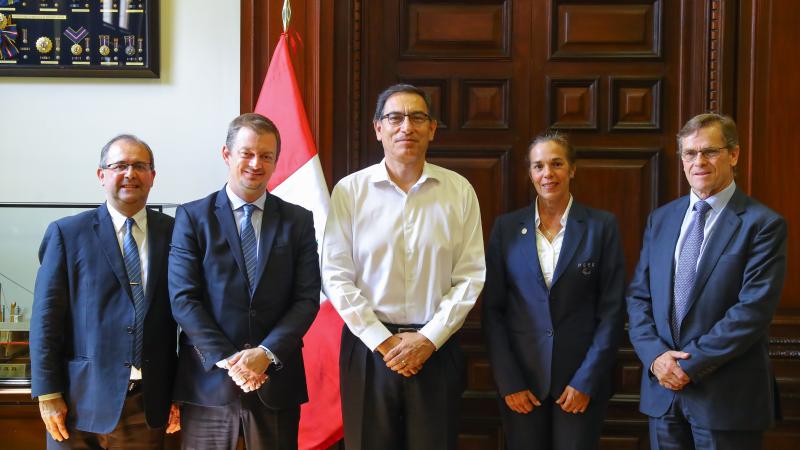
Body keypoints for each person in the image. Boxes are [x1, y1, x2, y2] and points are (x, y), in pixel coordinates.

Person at [320, 83, 486, 450]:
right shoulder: (350, 191)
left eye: (417, 117)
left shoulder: (459, 191)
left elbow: (470, 276)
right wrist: (382, 341)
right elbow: (335, 275)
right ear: (378, 128)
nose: (406, 127)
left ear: (432, 129)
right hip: (368, 350)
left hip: (436, 350)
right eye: (395, 117)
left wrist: (428, 338)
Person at [627, 113, 787, 449]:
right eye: (690, 153)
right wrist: (657, 358)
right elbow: (639, 298)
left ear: (734, 155)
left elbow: (753, 311)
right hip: (664, 395)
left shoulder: (762, 224)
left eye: (710, 151)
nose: (698, 161)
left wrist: (690, 365)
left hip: (726, 400)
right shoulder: (662, 219)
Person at [168, 113, 320, 450]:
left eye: (266, 156)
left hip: (276, 380)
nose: (256, 163)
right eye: (247, 153)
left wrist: (264, 353)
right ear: (227, 154)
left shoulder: (298, 220)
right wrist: (231, 361)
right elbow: (183, 299)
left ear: (276, 161)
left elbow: (306, 299)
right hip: (208, 384)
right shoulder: (192, 217)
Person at [30, 134, 180, 449]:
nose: (130, 174)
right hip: (77, 403)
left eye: (140, 166)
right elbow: (45, 320)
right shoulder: (67, 234)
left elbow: (186, 318)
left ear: (152, 176)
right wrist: (48, 394)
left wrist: (178, 393)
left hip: (149, 406)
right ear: (102, 175)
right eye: (120, 165)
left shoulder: (176, 233)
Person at [482, 132, 625, 450]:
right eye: (538, 166)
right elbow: (492, 311)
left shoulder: (601, 227)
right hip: (523, 384)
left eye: (557, 164)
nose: (548, 174)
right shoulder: (506, 229)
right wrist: (510, 382)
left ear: (572, 169)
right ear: (530, 173)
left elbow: (612, 312)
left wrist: (586, 380)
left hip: (579, 384)